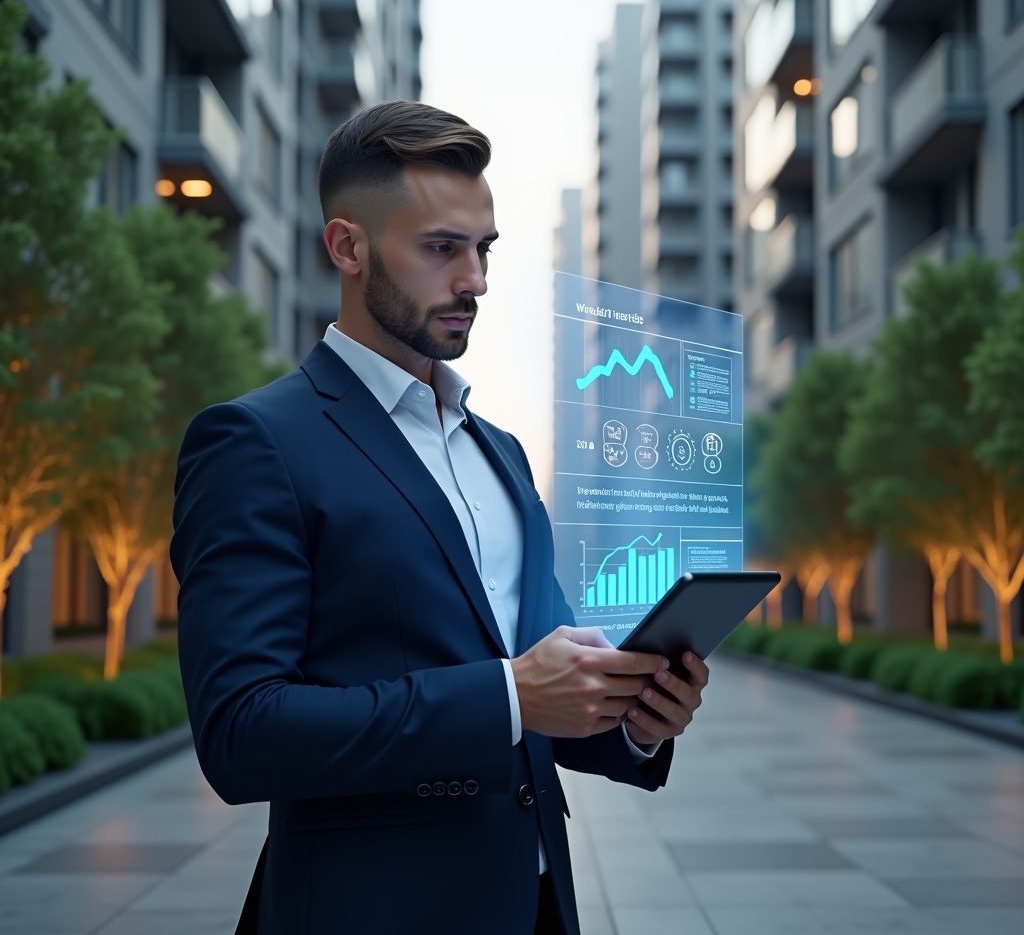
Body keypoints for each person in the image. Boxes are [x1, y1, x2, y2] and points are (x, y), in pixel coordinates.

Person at [171, 100, 709, 935]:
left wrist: (632, 720)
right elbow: (242, 732)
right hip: (370, 912)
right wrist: (507, 696)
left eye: (484, 249)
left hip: (536, 907)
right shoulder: (255, 442)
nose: (476, 281)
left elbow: (541, 694)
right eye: (440, 249)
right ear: (348, 247)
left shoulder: (502, 452)